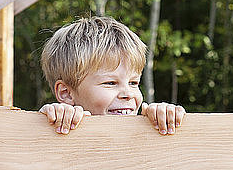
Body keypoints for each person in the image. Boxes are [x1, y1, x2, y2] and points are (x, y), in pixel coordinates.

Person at [39, 16, 186, 135]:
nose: (128, 94)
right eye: (110, 83)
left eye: (134, 83)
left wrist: (166, 117)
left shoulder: (147, 129)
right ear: (66, 93)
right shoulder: (57, 127)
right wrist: (48, 121)